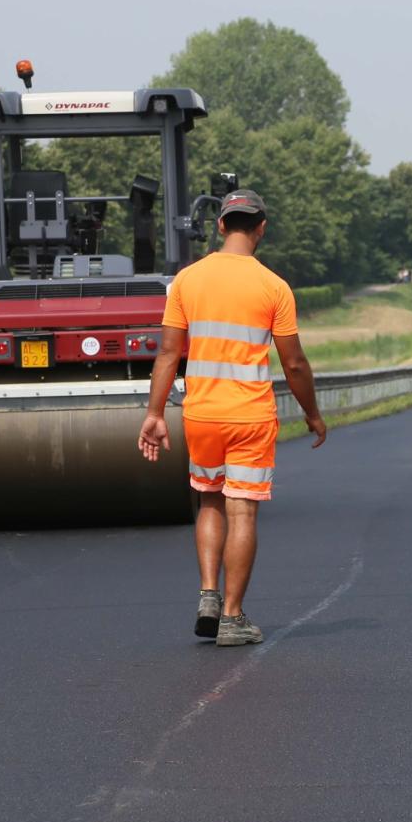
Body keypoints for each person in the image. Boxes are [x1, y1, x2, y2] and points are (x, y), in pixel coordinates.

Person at [137, 189, 327, 647]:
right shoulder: (274, 286)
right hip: (250, 416)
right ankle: (232, 617)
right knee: (242, 509)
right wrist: (312, 414)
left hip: (202, 413)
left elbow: (168, 353)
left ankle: (208, 594)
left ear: (221, 225)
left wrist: (155, 413)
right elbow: (294, 363)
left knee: (209, 501)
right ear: (262, 227)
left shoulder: (187, 280)